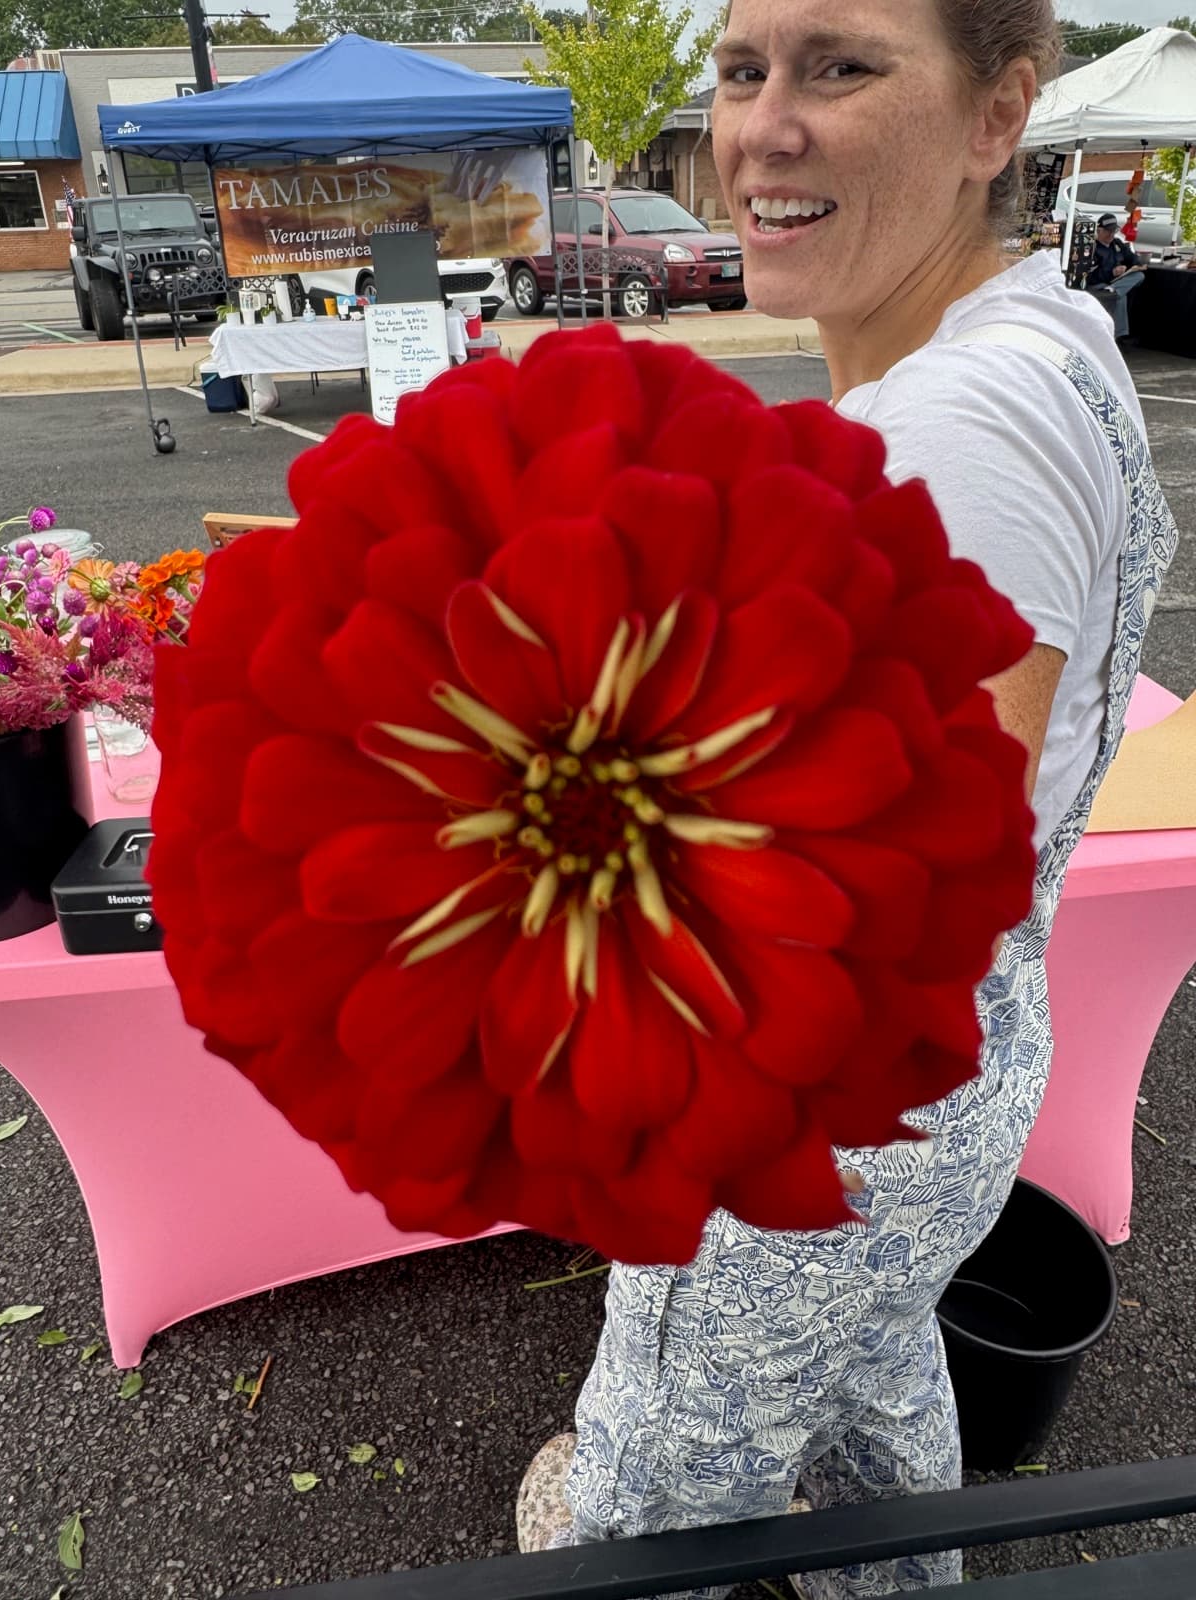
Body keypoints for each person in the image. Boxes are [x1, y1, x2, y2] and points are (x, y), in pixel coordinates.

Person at [516, 2, 1177, 1595]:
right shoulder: (1040, 345)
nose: (762, 127)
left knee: (642, 1514)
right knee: (878, 1428)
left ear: (997, 117)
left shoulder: (949, 428)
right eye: (745, 71)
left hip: (817, 1120)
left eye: (842, 66)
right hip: (950, 1098)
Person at [1087, 211, 1145, 342]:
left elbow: (1132, 257)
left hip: (1116, 283)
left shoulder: (1117, 243)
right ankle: (1118, 336)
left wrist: (1136, 265)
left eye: (1113, 231)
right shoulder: (1092, 248)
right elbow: (1089, 276)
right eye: (1108, 231)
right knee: (1121, 297)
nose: (1111, 235)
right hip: (1099, 284)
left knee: (1139, 275)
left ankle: (1113, 291)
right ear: (1099, 230)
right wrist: (1112, 272)